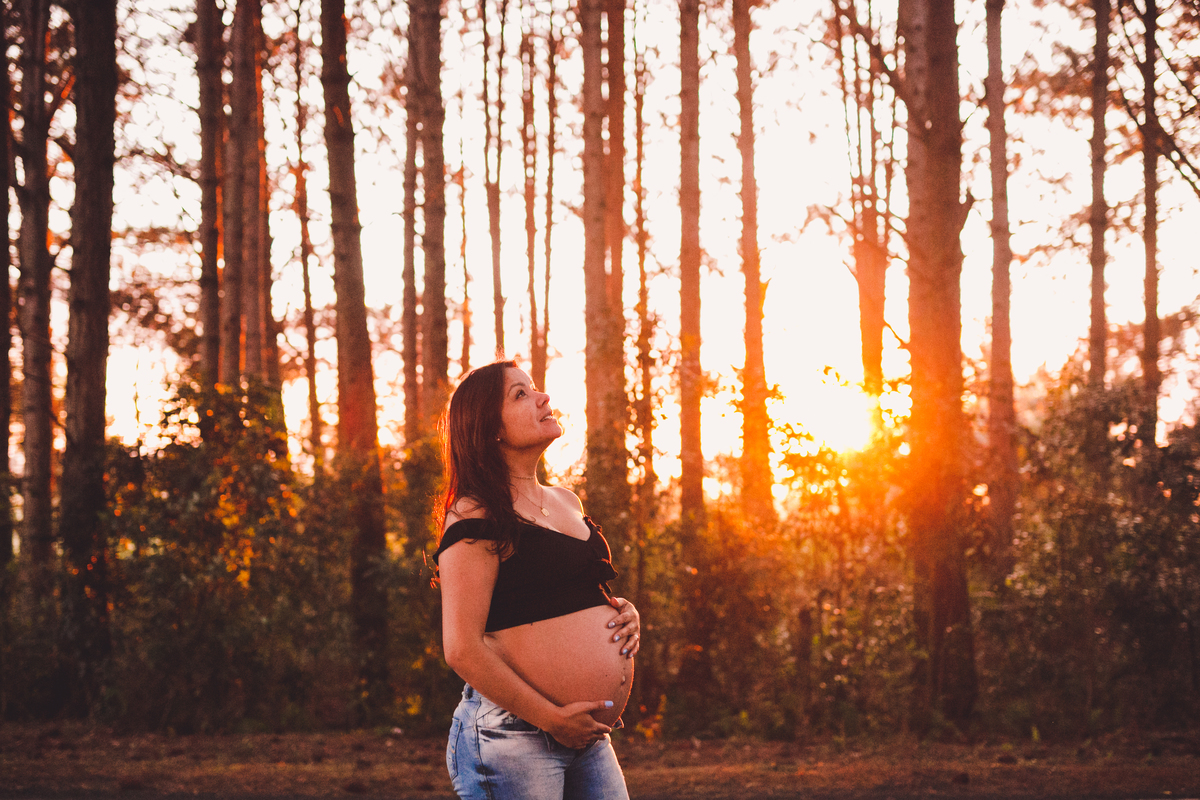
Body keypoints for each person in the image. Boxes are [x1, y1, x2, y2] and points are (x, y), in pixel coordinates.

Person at [432, 360, 641, 800]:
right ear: (491, 429)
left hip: (588, 735)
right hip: (514, 735)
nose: (543, 397)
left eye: (535, 388)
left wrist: (625, 614)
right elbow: (462, 648)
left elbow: (572, 594)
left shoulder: (567, 501)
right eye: (520, 395)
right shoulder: (475, 514)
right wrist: (551, 718)